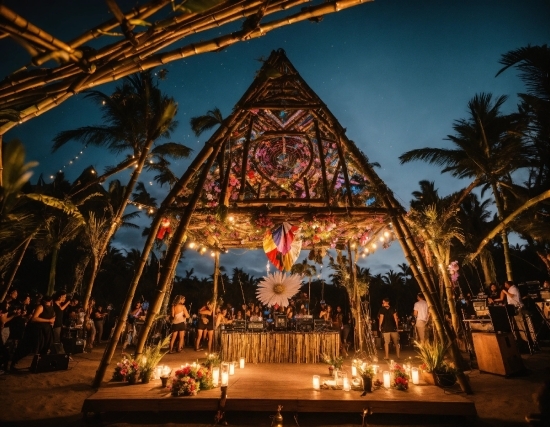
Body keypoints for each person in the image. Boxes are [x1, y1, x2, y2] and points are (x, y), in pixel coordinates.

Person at [11, 295, 56, 371]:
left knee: (44, 348)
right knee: (29, 347)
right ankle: (13, 362)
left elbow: (52, 318)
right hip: (37, 330)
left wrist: (52, 321)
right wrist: (48, 321)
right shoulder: (41, 307)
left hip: (46, 330)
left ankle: (39, 365)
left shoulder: (51, 308)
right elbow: (34, 318)